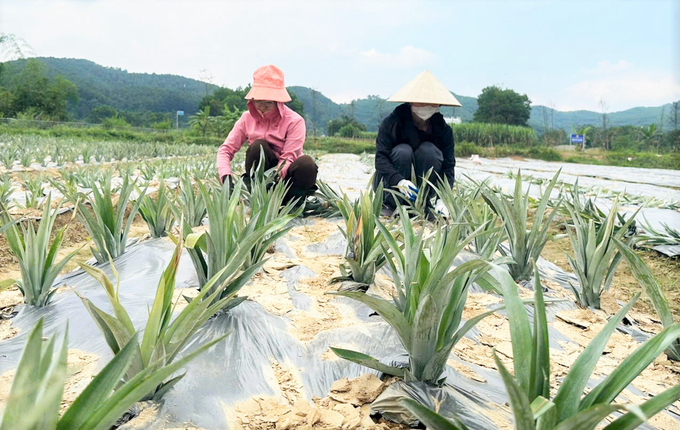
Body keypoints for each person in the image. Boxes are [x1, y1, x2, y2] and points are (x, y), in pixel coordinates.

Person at [216, 65, 318, 202]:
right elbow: (226, 149)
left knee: (307, 163)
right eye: (258, 101)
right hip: (260, 174)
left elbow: (289, 156)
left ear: (278, 101)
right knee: (258, 146)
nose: (261, 107)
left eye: (268, 103)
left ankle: (292, 201)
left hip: (287, 174)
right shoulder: (246, 118)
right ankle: (259, 194)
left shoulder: (295, 121)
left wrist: (276, 176)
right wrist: (226, 177)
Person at [373, 70, 461, 217]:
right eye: (422, 100)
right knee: (403, 151)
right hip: (391, 185)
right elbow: (380, 159)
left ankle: (423, 203)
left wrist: (443, 199)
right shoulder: (392, 123)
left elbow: (448, 166)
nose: (427, 105)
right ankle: (392, 203)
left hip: (422, 191)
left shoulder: (443, 130)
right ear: (411, 101)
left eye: (431, 101)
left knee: (429, 151)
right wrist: (399, 181)